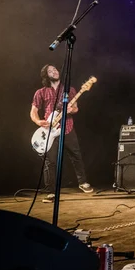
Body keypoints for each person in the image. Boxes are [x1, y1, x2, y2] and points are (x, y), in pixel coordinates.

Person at [30, 64, 93, 203]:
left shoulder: (69, 90)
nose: (54, 71)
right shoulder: (41, 92)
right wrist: (38, 121)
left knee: (76, 156)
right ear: (46, 76)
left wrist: (71, 110)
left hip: (67, 127)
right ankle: (50, 192)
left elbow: (75, 108)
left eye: (55, 69)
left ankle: (83, 182)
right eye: (50, 71)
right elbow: (33, 111)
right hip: (49, 129)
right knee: (49, 162)